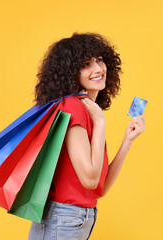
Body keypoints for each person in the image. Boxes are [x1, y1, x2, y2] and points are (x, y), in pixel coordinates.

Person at [28, 32, 146, 240]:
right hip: (64, 218)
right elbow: (90, 179)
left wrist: (127, 140)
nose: (98, 69)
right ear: (71, 73)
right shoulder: (73, 107)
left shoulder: (87, 110)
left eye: (99, 60)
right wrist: (101, 123)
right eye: (86, 64)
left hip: (78, 217)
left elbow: (99, 188)